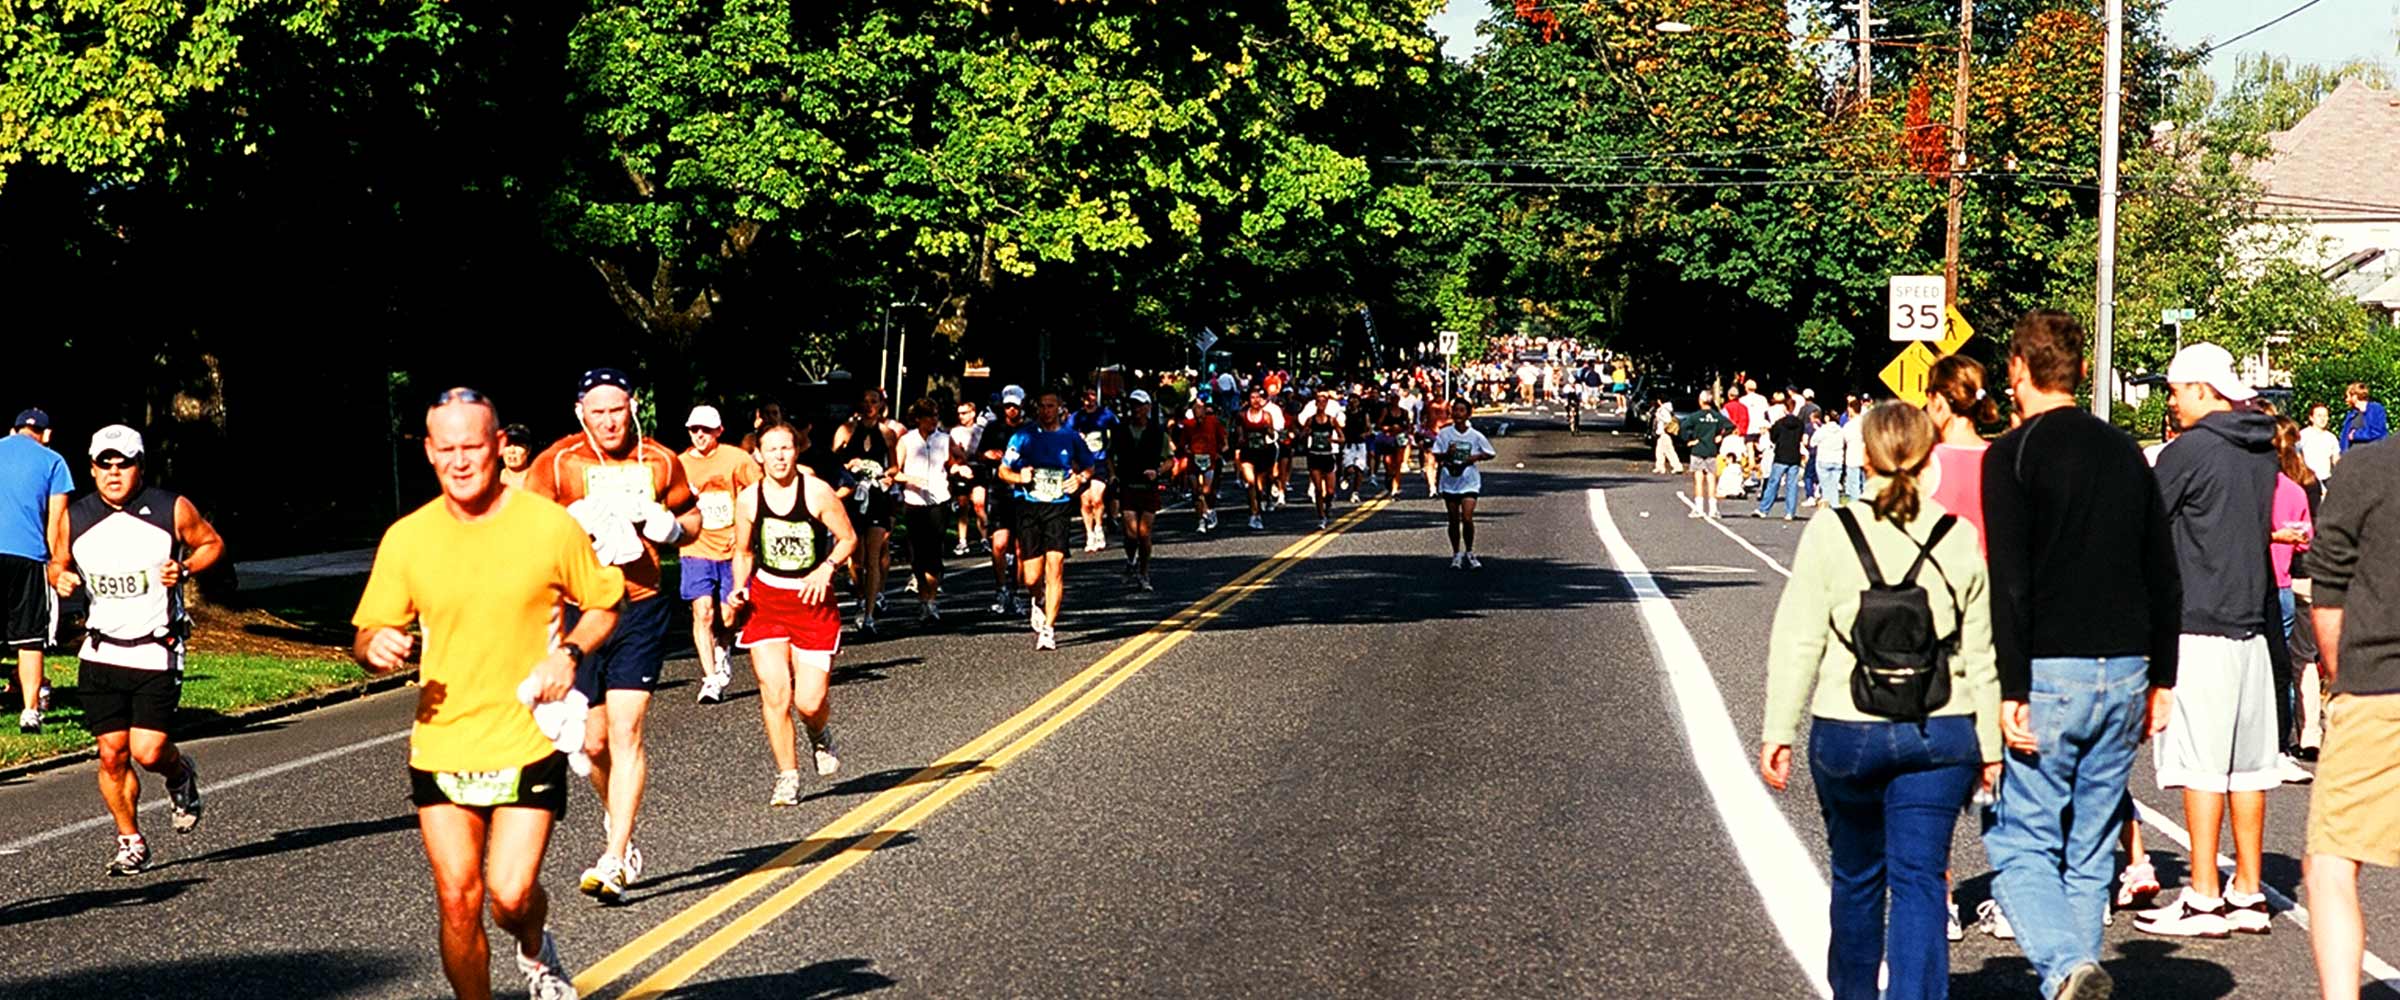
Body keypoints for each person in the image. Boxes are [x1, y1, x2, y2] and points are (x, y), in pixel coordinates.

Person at [354, 388, 624, 1000]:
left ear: (499, 447)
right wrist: (374, 646)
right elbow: (368, 630)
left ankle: (534, 948)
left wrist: (570, 652)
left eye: (472, 445)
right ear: (427, 451)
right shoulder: (407, 538)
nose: (459, 460)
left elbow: (605, 604)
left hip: (527, 735)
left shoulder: (548, 526)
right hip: (443, 740)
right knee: (457, 898)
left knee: (508, 895)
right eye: (445, 447)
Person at [1759, 401, 1999, 1000]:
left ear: (1864, 457)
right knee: (1920, 879)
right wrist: (1991, 744)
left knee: (1857, 877)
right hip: (1940, 728)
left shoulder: (1832, 530)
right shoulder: (1958, 535)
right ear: (1927, 457)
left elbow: (1799, 637)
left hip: (1849, 725)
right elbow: (1984, 650)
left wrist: (1778, 729)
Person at [1977, 310, 2180, 1000]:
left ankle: (2066, 967)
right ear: (2081, 371)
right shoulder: (2123, 450)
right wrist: (2165, 675)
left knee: (2017, 838)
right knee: (2091, 844)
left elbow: (2009, 578)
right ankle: (2078, 974)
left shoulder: (2012, 454)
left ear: (2017, 370)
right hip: (2126, 664)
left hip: (2051, 665)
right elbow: (2162, 566)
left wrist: (2009, 686)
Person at [521, 368, 700, 905]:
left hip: (640, 609)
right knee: (594, 742)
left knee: (626, 732)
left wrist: (669, 527)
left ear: (633, 406)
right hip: (580, 612)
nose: (608, 421)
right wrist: (565, 524)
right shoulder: (557, 462)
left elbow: (692, 521)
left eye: (616, 409)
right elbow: (523, 531)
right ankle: (614, 816)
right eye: (597, 411)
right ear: (581, 412)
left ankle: (616, 856)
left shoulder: (661, 459)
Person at [2134, 341, 2282, 940]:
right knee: (2249, 768)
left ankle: (2201, 895)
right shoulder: (2262, 447)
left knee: (2200, 765)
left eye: (2175, 390)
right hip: (2251, 621)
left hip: (2198, 620)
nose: (2171, 402)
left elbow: (2145, 525)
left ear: (2202, 388)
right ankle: (2248, 890)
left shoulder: (2191, 450)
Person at [48, 424, 225, 875]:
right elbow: (58, 563)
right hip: (101, 651)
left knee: (148, 752)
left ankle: (179, 773)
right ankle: (131, 841)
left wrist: (184, 569)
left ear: (140, 466)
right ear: (91, 468)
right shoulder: (77, 516)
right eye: (103, 463)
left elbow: (211, 543)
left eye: (122, 463)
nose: (113, 472)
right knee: (111, 753)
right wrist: (60, 578)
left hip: (154, 650)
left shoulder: (170, 508)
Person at [2299, 416, 2400, 999]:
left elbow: (2328, 581)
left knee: (2332, 860)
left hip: (2378, 682)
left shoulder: (2366, 468)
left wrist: (2342, 676)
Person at [724, 422, 857, 805]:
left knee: (809, 702)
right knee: (775, 693)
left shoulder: (816, 492)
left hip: (812, 603)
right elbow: (744, 551)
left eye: (786, 449)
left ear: (796, 452)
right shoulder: (749, 499)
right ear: (759, 455)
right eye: (772, 450)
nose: (780, 456)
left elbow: (848, 538)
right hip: (767, 602)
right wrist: (738, 586)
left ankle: (819, 732)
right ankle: (787, 775)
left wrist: (826, 568)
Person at [675, 405, 761, 704]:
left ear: (719, 431)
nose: (700, 435)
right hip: (695, 547)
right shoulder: (679, 464)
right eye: (694, 430)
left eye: (706, 430)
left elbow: (759, 492)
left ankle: (723, 649)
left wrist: (750, 529)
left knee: (727, 614)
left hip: (733, 548)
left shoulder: (736, 459)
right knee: (703, 612)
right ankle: (710, 679)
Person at [999, 390, 1095, 651]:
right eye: (1041, 406)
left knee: (1056, 565)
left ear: (1060, 408)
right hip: (1029, 506)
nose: (1046, 410)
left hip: (1058, 507)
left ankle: (1049, 629)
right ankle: (1037, 598)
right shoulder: (1023, 436)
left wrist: (1081, 478)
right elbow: (1003, 470)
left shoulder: (1071, 437)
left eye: (1050, 406)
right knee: (1031, 576)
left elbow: (1089, 465)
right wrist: (1020, 478)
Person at [2, 408, 69, 733]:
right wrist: (57, 563)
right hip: (28, 554)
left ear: (12, 431)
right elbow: (56, 521)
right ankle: (30, 711)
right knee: (30, 638)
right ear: (46, 434)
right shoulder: (53, 461)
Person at [2268, 417, 2318, 784]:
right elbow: (2307, 537)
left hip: (2262, 582)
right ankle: (2293, 739)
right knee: (2294, 663)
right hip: (2293, 580)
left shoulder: (2258, 487)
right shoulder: (2302, 486)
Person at [831, 389, 903, 636]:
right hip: (852, 496)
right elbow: (833, 460)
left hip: (876, 496)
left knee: (874, 553)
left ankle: (869, 612)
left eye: (874, 402)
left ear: (881, 405)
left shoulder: (887, 433)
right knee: (856, 555)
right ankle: (861, 592)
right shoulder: (846, 430)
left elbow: (893, 465)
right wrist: (848, 465)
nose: (869, 406)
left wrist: (885, 475)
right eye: (865, 401)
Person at [894, 399, 965, 623]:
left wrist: (959, 467)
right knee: (917, 554)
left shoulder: (944, 439)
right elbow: (894, 471)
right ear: (918, 419)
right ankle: (922, 594)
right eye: (929, 416)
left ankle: (931, 600)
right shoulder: (906, 441)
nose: (934, 420)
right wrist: (911, 479)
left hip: (939, 500)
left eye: (935, 415)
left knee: (934, 552)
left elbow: (952, 462)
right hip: (914, 501)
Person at [1923, 355, 1998, 550]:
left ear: (1938, 400)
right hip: (1992, 574)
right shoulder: (2002, 458)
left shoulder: (1927, 463)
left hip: (1941, 575)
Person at [1108, 390, 1173, 590]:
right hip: (1128, 485)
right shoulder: (1120, 430)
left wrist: (1157, 471)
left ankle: (1144, 572)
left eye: (1140, 405)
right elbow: (1109, 455)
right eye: (1133, 405)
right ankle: (1130, 560)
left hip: (1148, 486)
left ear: (1147, 407)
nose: (1136, 409)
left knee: (1144, 533)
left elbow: (1170, 459)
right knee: (1131, 533)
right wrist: (1112, 474)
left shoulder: (1157, 432)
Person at [977, 388, 1029, 615]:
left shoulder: (1030, 430)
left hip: (1023, 492)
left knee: (1019, 547)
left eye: (1015, 406)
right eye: (1008, 405)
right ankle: (1001, 588)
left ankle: (1016, 592)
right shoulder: (993, 428)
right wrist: (988, 455)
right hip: (999, 491)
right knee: (999, 543)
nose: (1011, 410)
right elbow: (980, 454)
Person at [1431, 403, 1494, 569]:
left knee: (1467, 517)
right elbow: (1436, 455)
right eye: (1455, 410)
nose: (1458, 414)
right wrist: (1447, 454)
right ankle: (1456, 553)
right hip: (1450, 479)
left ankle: (1470, 551)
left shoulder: (1475, 435)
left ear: (1468, 414)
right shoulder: (1445, 434)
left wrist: (1475, 457)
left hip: (1469, 480)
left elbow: (1490, 453)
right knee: (1453, 519)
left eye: (1462, 411)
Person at [1069, 387, 1118, 553]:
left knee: (1097, 499)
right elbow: (1067, 436)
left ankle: (1099, 528)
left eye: (1092, 396)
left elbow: (1118, 429)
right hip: (1082, 464)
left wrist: (1112, 449)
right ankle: (1089, 534)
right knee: (1085, 502)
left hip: (1100, 462)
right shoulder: (1076, 418)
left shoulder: (1106, 414)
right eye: (1086, 396)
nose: (1089, 399)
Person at [1234, 389, 1282, 531]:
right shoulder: (1242, 415)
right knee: (1251, 483)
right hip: (1248, 453)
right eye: (1252, 397)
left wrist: (1269, 430)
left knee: (1259, 487)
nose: (1255, 400)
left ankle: (1258, 511)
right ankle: (1253, 513)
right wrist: (1241, 437)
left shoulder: (1266, 416)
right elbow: (1239, 431)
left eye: (1258, 398)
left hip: (1262, 452)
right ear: (1248, 400)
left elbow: (1272, 433)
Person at [1680, 393, 1731, 519]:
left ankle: (1699, 508)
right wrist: (1721, 436)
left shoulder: (1695, 416)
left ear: (1700, 401)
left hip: (1698, 449)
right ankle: (1713, 509)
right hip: (1711, 449)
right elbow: (1730, 425)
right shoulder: (1717, 416)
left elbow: (1683, 427)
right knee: (1711, 478)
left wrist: (1689, 440)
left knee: (1698, 479)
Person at [1180, 396, 1227, 532]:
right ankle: (1200, 520)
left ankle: (1211, 510)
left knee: (1206, 490)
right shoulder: (1188, 425)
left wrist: (1221, 450)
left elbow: (1222, 439)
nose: (1198, 413)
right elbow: (1183, 443)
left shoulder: (1213, 422)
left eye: (1200, 410)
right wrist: (1187, 450)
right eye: (1195, 410)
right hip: (1193, 460)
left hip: (1209, 460)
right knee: (1196, 492)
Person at [1753, 404, 1807, 520]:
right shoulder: (1800, 424)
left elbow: (1773, 438)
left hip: (1781, 455)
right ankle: (1790, 512)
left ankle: (1764, 509)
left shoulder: (1779, 423)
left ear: (1785, 409)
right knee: (1792, 486)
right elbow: (1800, 437)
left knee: (1773, 483)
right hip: (1794, 456)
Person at [948, 402, 987, 555]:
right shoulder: (955, 432)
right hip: (961, 469)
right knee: (963, 505)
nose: (961, 416)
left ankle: (984, 538)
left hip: (978, 469)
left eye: (964, 413)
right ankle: (962, 541)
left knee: (979, 504)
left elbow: (983, 451)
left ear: (973, 413)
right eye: (959, 413)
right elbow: (952, 452)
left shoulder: (980, 431)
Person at [1301, 396, 1343, 531]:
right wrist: (1306, 434)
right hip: (1314, 456)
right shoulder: (1311, 420)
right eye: (1319, 402)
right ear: (1316, 404)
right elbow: (1302, 436)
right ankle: (1321, 516)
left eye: (1324, 402)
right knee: (1319, 489)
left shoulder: (1331, 420)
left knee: (1330, 490)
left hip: (1327, 456)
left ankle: (1328, 504)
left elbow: (1342, 438)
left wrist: (1333, 440)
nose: (1321, 405)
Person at [1809, 410, 1845, 506]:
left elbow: (1812, 443)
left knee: (1825, 486)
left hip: (1823, 459)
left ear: (1827, 418)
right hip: (1837, 459)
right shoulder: (1841, 431)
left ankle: (1828, 508)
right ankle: (1835, 505)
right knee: (1833, 486)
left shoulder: (1822, 430)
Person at [2338, 382, 2386, 452]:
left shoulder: (2375, 409)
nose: (2346, 400)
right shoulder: (2351, 415)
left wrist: (2355, 435)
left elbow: (2377, 432)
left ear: (2354, 396)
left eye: (2347, 396)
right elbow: (2344, 439)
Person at [2299, 403, 2339, 483]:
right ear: (2311, 418)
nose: (2322, 419)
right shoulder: (2303, 435)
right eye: (2319, 416)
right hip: (2308, 479)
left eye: (2325, 416)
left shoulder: (2331, 437)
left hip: (2326, 479)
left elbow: (2336, 459)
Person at [1841, 399, 1869, 502]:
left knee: (1853, 485)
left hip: (1852, 457)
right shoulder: (1866, 424)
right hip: (1865, 456)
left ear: (1851, 409)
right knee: (1865, 485)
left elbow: (1843, 440)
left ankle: (1856, 508)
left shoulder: (1849, 425)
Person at [1652, 399, 1685, 475]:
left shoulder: (1664, 409)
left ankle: (1677, 466)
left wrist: (1658, 416)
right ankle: (1659, 467)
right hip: (1662, 433)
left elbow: (1668, 420)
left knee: (1669, 451)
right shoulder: (1665, 408)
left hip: (1665, 433)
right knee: (1659, 451)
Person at [499, 424, 535, 490]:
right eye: (507, 445)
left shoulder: (539, 480)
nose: (512, 451)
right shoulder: (492, 480)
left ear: (528, 450)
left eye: (518, 445)